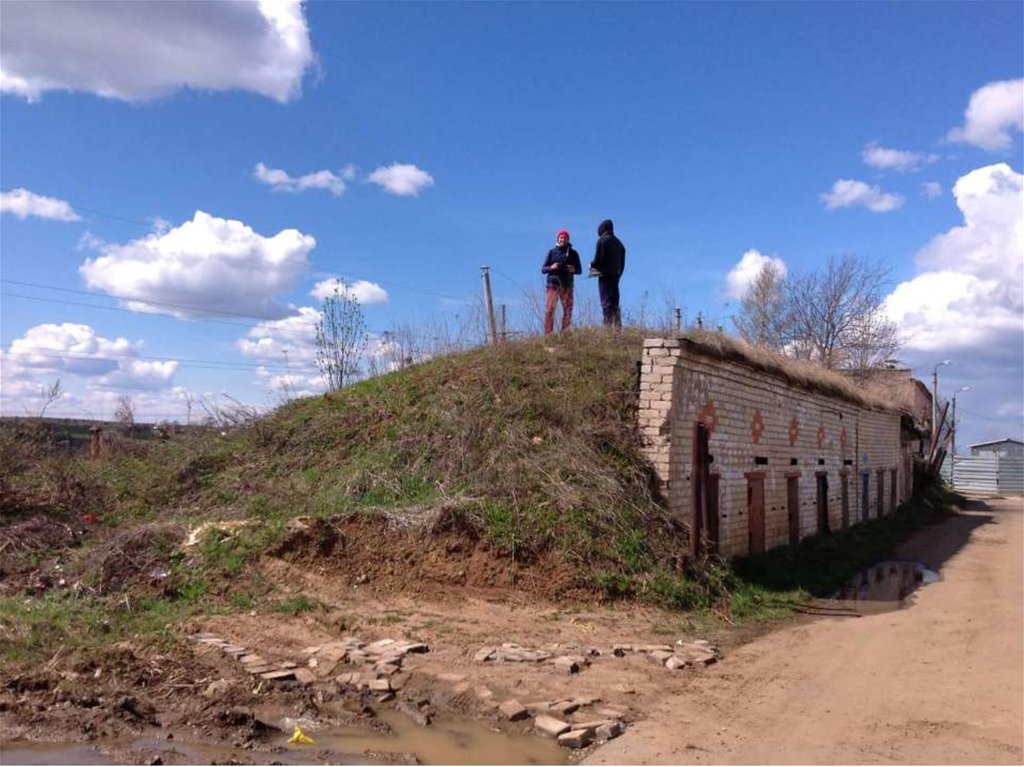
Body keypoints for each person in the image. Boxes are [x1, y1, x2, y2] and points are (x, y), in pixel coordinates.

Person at [541, 229, 582, 334]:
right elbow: (543, 269)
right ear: (558, 239)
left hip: (567, 284)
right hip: (553, 284)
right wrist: (552, 267)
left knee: (568, 309)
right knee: (550, 309)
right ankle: (548, 334)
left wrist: (573, 270)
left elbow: (579, 270)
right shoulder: (551, 252)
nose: (562, 239)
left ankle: (565, 332)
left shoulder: (573, 253)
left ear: (568, 239)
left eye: (565, 238)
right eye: (561, 237)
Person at [589, 219, 626, 328]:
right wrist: (618, 275)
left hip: (604, 276)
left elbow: (598, 259)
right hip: (615, 277)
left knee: (606, 303)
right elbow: (622, 264)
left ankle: (607, 328)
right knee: (615, 304)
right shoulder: (620, 244)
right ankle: (618, 328)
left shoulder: (602, 241)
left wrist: (591, 266)